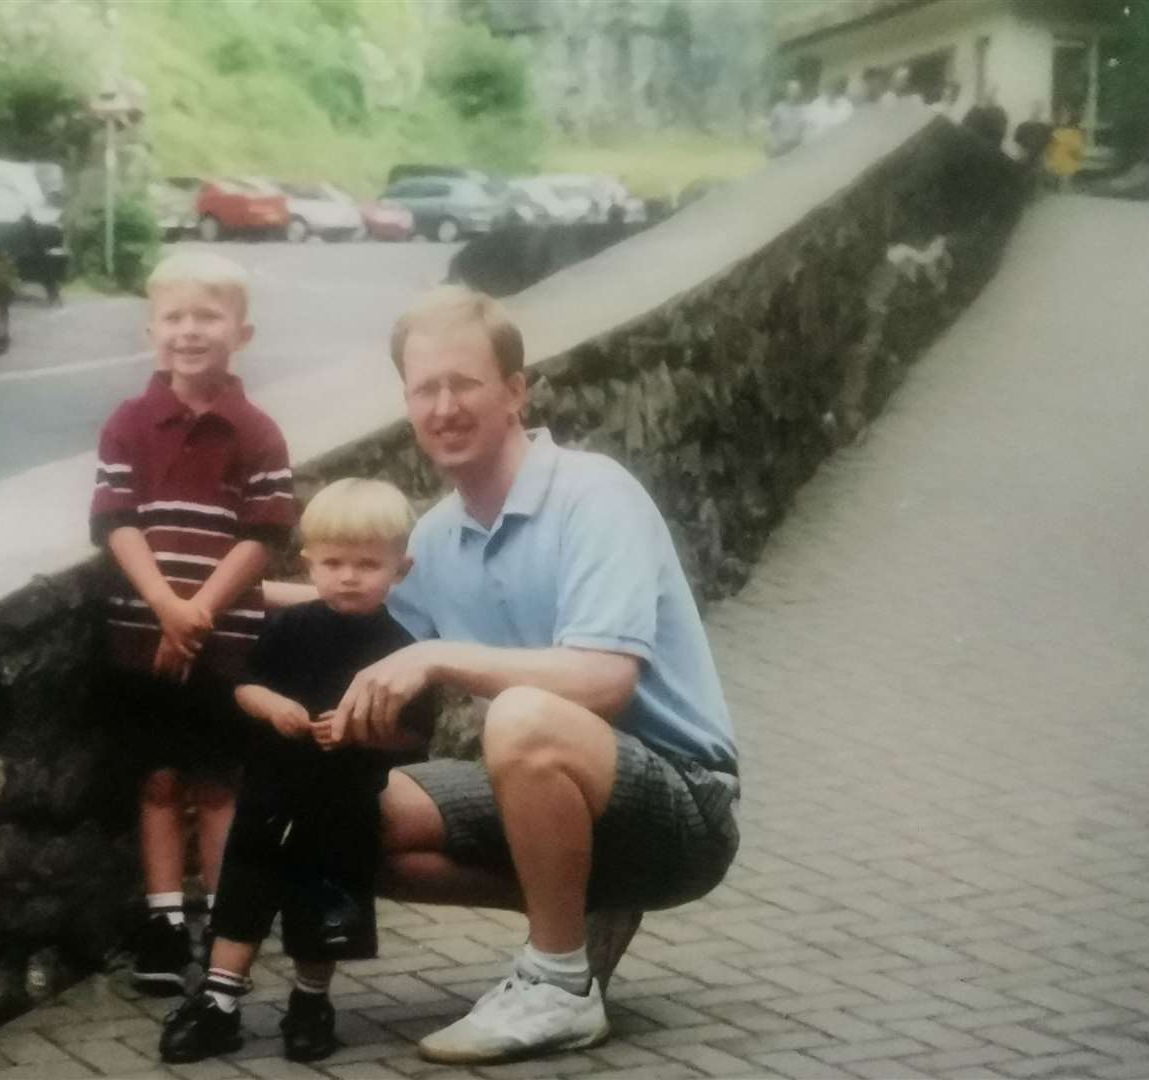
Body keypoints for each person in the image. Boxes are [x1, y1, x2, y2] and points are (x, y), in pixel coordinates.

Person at [334, 286, 741, 1065]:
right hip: (551, 791)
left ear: (515, 391)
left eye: (466, 383)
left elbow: (603, 682)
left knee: (519, 715)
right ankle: (586, 905)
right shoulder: (437, 536)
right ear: (407, 403)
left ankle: (558, 985)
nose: (445, 406)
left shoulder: (594, 495)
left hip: (684, 803)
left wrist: (438, 654)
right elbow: (351, 619)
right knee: (343, 813)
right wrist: (219, 603)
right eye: (426, 388)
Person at [159, 478, 435, 1065]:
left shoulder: (402, 648)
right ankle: (219, 1004)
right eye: (333, 562)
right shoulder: (288, 627)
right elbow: (243, 687)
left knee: (323, 910)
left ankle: (311, 1003)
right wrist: (273, 706)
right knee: (243, 898)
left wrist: (365, 729)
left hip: (344, 805)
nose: (349, 576)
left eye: (367, 563)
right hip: (270, 796)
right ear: (309, 562)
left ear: (400, 568)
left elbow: (416, 733)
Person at [90, 250, 296, 995]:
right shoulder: (129, 423)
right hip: (141, 637)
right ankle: (164, 919)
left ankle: (223, 923)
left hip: (224, 642)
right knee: (157, 780)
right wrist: (166, 608)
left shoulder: (257, 433)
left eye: (207, 316)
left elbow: (265, 534)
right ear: (152, 330)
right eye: (174, 317)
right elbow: (115, 521)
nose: (189, 331)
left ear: (242, 331)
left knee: (217, 784)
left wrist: (202, 610)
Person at [803, 76, 854, 143]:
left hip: (836, 142)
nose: (832, 90)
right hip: (814, 141)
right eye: (830, 88)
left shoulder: (846, 106)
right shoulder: (817, 103)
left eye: (835, 88)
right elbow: (808, 122)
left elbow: (845, 127)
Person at [1047, 105, 1086, 190]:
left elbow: (1077, 151)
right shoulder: (1055, 132)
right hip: (1055, 165)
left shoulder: (1075, 133)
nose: (1063, 119)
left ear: (1070, 118)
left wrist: (1077, 157)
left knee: (1064, 188)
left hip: (1067, 165)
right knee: (1054, 190)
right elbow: (1050, 149)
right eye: (1062, 116)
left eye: (1066, 117)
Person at [767, 79, 807, 156]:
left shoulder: (802, 109)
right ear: (787, 91)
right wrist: (774, 144)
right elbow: (771, 129)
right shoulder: (779, 108)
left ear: (799, 92)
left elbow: (804, 130)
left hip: (797, 148)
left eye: (796, 90)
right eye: (791, 90)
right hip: (782, 148)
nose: (794, 93)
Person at [962, 86, 1010, 151]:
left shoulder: (999, 114)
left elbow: (998, 137)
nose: (989, 96)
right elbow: (964, 126)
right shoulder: (975, 110)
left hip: (982, 149)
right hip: (974, 147)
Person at [1013, 102, 1054, 177]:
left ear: (1041, 111)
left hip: (1038, 162)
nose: (1036, 110)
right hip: (1024, 160)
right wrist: (1023, 155)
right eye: (1034, 108)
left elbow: (1048, 146)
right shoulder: (1022, 126)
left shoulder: (1045, 128)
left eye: (1038, 109)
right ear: (1030, 109)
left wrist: (1044, 160)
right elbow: (1017, 143)